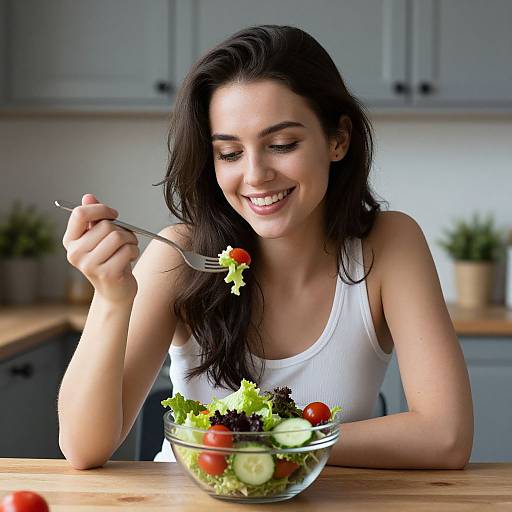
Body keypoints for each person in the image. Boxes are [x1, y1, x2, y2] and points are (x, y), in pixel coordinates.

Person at [57, 25, 473, 470]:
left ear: (338, 140)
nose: (255, 176)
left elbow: (445, 436)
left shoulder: (389, 245)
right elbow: (84, 448)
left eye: (281, 145)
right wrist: (112, 298)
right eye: (230, 153)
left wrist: (271, 444)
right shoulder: (179, 255)